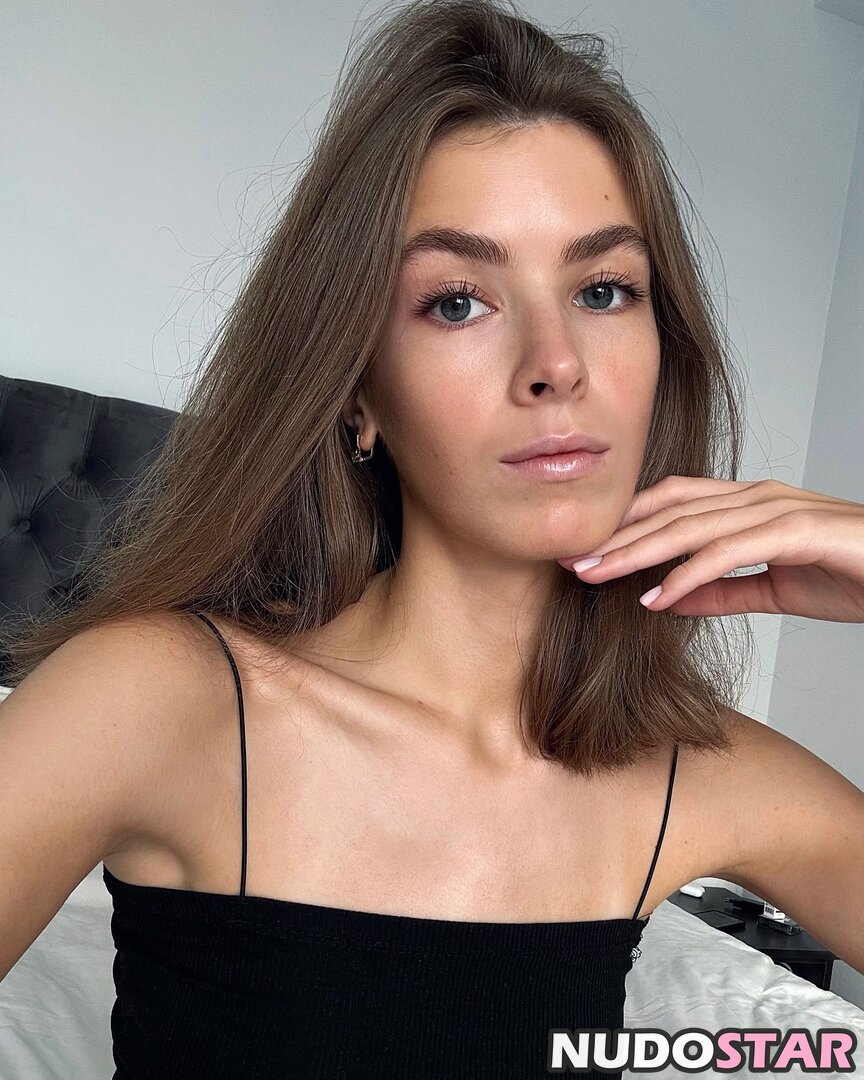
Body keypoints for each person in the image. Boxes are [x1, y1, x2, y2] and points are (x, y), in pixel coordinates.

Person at [1, 0, 863, 1076]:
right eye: (458, 302)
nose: (557, 363)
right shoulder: (156, 701)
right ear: (357, 390)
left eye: (603, 289)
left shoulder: (698, 769)